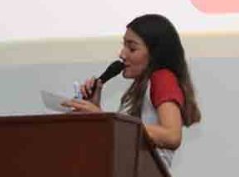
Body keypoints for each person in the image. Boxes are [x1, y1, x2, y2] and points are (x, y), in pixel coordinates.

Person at [62, 13, 200, 167]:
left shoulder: (162, 78)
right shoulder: (143, 86)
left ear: (155, 53)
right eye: (124, 46)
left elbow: (172, 135)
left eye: (132, 48)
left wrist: (105, 118)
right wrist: (96, 111)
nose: (122, 54)